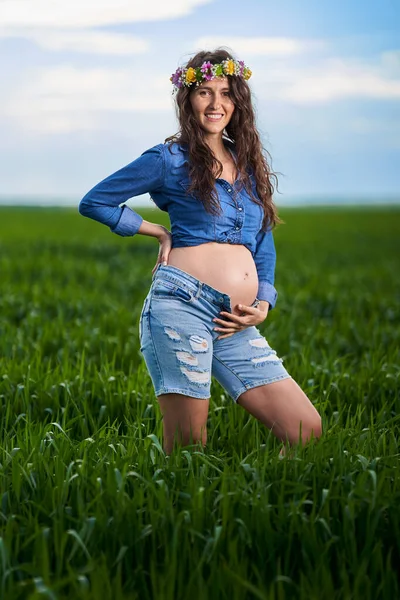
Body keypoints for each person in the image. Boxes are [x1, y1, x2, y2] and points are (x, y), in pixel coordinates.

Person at [78, 48, 322, 456]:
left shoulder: (246, 164)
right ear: (187, 99)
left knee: (305, 429)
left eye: (226, 93)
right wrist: (156, 230)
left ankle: (263, 509)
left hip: (234, 320)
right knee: (189, 449)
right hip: (181, 306)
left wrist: (263, 300)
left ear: (237, 102)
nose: (216, 103)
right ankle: (183, 516)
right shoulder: (169, 159)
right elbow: (95, 200)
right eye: (204, 92)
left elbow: (263, 239)